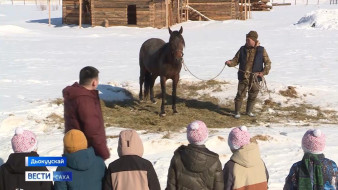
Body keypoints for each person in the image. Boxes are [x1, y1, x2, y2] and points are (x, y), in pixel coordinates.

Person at [63, 66, 110, 160]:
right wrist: (103, 152)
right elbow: (93, 130)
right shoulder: (85, 100)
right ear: (94, 82)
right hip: (87, 153)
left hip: (72, 147)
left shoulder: (74, 94)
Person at [225, 31, 271, 119]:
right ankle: (237, 112)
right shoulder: (242, 49)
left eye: (249, 39)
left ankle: (249, 111)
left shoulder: (261, 50)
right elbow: (236, 60)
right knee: (240, 94)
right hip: (244, 76)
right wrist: (230, 63)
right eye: (246, 39)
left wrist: (263, 72)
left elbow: (268, 63)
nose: (247, 41)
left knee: (253, 94)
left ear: (254, 40)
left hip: (255, 78)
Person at [166, 120, 224, 190]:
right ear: (205, 136)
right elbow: (219, 187)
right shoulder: (214, 161)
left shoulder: (178, 157)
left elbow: (171, 186)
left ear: (188, 136)